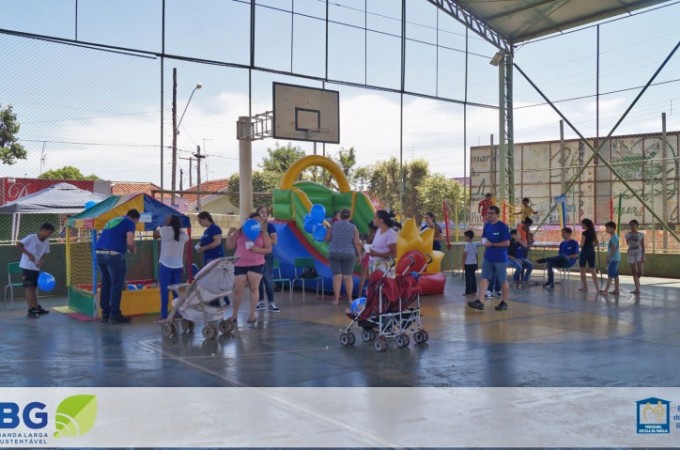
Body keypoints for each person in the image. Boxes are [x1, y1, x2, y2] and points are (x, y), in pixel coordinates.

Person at [225, 214, 272, 324]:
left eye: (258, 221)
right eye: (253, 221)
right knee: (237, 289)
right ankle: (234, 314)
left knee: (253, 288)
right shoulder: (240, 232)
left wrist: (258, 250)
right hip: (240, 264)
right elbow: (230, 246)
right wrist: (229, 234)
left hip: (256, 264)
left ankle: (252, 314)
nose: (256, 223)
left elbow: (269, 249)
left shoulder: (263, 234)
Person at [96, 209, 140, 323]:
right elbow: (130, 242)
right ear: (135, 219)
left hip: (99, 253)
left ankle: (105, 314)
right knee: (117, 284)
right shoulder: (129, 222)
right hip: (113, 255)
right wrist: (133, 250)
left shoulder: (113, 220)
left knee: (106, 283)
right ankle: (115, 314)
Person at [467, 205, 510, 311]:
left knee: (502, 280)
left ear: (497, 215)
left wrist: (493, 244)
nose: (489, 215)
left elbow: (507, 242)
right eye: (488, 213)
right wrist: (484, 242)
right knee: (484, 278)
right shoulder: (487, 226)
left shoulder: (503, 227)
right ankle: (480, 301)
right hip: (488, 257)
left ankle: (504, 302)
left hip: (500, 258)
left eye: (491, 213)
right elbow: (484, 238)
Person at [153, 215, 189, 320]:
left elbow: (155, 235)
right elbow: (185, 252)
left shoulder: (165, 230)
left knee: (164, 291)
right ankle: (177, 312)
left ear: (170, 221)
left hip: (166, 265)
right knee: (176, 291)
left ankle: (164, 315)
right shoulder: (183, 234)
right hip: (178, 266)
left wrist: (163, 224)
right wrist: (183, 265)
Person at [17, 222, 55, 318]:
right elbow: (19, 244)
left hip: (36, 267)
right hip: (27, 266)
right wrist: (29, 254)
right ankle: (31, 309)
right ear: (43, 230)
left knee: (34, 288)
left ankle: (36, 307)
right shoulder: (31, 237)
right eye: (49, 232)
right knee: (29, 287)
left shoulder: (46, 241)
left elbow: (45, 253)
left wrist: (41, 261)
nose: (50, 235)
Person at [325, 208, 362, 305]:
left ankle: (336, 300)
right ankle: (350, 299)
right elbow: (357, 243)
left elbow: (327, 239)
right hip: (349, 253)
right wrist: (359, 255)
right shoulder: (353, 227)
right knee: (348, 277)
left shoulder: (333, 226)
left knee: (337, 277)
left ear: (340, 216)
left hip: (334, 252)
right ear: (349, 216)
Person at [256, 205, 280, 313]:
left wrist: (264, 235)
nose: (264, 213)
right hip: (256, 255)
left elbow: (274, 241)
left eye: (265, 212)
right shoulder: (253, 226)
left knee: (267, 278)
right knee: (258, 279)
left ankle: (271, 303)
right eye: (261, 211)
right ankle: (260, 301)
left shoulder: (270, 226)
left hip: (267, 255)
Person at [368, 210, 398, 276]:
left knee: (383, 285)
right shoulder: (378, 230)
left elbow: (394, 254)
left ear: (381, 220)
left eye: (375, 217)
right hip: (374, 264)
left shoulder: (390, 234)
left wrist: (376, 254)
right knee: (374, 285)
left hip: (385, 265)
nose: (373, 220)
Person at [578, 218, 601, 292]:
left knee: (582, 268)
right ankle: (597, 287)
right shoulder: (593, 232)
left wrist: (580, 246)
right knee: (592, 268)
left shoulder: (584, 233)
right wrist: (591, 246)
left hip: (585, 251)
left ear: (585, 224)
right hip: (591, 251)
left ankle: (585, 287)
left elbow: (582, 244)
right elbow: (597, 243)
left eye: (582, 224)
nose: (581, 225)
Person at [357, 220, 377, 297]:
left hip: (368, 257)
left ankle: (359, 296)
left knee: (363, 277)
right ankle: (371, 296)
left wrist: (363, 244)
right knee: (372, 278)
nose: (369, 230)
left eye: (369, 228)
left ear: (372, 228)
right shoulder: (378, 236)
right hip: (374, 258)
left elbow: (366, 248)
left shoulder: (370, 236)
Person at [599, 221, 620, 295]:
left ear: (613, 228)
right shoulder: (614, 237)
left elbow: (613, 248)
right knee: (615, 275)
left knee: (610, 275)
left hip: (613, 259)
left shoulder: (614, 237)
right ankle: (616, 289)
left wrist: (609, 257)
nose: (606, 229)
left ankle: (606, 290)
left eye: (608, 228)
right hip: (616, 258)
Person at [625, 219, 645, 294]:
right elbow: (628, 243)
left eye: (633, 224)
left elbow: (643, 245)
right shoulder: (627, 235)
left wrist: (643, 255)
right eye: (631, 225)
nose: (632, 226)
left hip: (639, 252)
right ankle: (637, 288)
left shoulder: (641, 235)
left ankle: (636, 281)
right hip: (631, 253)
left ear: (637, 226)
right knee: (634, 271)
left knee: (640, 272)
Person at [462, 229, 477, 296]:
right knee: (473, 277)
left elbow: (464, 255)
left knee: (468, 278)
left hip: (468, 264)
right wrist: (477, 263)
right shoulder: (474, 244)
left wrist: (463, 264)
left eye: (465, 236)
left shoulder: (467, 245)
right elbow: (476, 254)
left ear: (468, 237)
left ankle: (468, 292)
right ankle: (474, 290)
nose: (464, 238)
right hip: (474, 263)